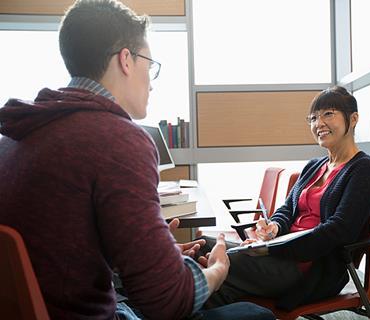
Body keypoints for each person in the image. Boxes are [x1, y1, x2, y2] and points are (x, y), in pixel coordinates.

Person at [0, 1, 275, 319]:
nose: (152, 79)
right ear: (126, 59)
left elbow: (63, 250)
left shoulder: (15, 135)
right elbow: (166, 303)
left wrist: (156, 257)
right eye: (150, 62)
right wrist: (215, 271)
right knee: (255, 315)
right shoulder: (117, 138)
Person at [203, 85, 370, 311]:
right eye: (313, 118)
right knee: (202, 249)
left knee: (217, 262)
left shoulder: (364, 169)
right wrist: (274, 228)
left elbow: (340, 230)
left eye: (328, 114)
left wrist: (271, 249)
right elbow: (287, 209)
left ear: (353, 118)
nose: (319, 124)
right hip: (280, 256)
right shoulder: (313, 166)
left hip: (310, 269)